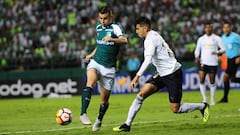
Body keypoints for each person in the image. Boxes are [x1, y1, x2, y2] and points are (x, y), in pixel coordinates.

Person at [113, 17, 209, 132]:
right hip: (161, 72)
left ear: (145, 28)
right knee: (141, 94)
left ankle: (202, 106)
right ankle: (127, 124)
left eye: (138, 29)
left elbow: (147, 60)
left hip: (172, 73)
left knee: (175, 109)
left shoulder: (150, 39)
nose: (136, 32)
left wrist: (136, 77)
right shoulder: (152, 35)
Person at [79, 6, 128, 132]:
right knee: (90, 82)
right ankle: (83, 113)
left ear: (110, 16)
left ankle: (99, 119)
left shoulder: (116, 28)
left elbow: (125, 40)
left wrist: (112, 38)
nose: (102, 21)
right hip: (96, 62)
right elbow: (99, 45)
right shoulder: (98, 27)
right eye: (100, 18)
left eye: (105, 18)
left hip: (109, 69)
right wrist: (91, 55)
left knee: (104, 101)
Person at [194, 22, 225, 105]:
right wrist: (197, 56)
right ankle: (204, 99)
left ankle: (212, 99)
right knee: (201, 80)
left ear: (212, 28)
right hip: (203, 62)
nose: (208, 29)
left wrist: (217, 52)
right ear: (204, 29)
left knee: (212, 81)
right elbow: (197, 49)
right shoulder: (201, 39)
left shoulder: (217, 38)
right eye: (207, 28)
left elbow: (223, 49)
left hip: (213, 62)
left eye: (210, 27)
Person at [218, 21, 240, 103]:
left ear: (231, 28)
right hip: (229, 59)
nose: (226, 29)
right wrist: (220, 56)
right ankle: (225, 98)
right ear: (223, 29)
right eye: (224, 28)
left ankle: (225, 98)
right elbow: (223, 49)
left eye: (227, 27)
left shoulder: (236, 37)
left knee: (226, 77)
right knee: (232, 79)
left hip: (235, 58)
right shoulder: (222, 37)